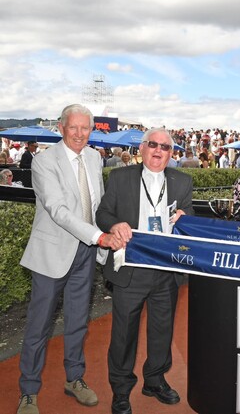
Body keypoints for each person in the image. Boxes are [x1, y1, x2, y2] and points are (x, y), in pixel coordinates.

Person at [16, 104, 122, 414]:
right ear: (62, 127)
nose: (79, 134)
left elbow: (98, 203)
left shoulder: (93, 157)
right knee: (39, 326)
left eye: (84, 128)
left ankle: (74, 379)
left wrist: (109, 230)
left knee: (77, 321)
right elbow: (58, 210)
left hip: (85, 253)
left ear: (92, 130)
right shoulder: (44, 161)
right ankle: (28, 391)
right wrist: (98, 237)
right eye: (73, 127)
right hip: (52, 254)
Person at [96, 128, 193, 414]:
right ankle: (121, 390)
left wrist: (186, 219)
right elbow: (102, 214)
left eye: (165, 146)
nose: (158, 150)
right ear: (142, 148)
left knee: (162, 330)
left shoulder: (182, 181)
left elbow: (190, 216)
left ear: (171, 153)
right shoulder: (120, 177)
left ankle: (155, 380)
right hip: (131, 268)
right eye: (153, 144)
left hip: (165, 269)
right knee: (124, 334)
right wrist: (114, 225)